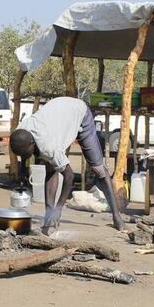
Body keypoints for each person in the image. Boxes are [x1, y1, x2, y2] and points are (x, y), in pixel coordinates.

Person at [10, 96, 125, 235]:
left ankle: (117, 217)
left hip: (80, 112)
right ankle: (49, 217)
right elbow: (33, 158)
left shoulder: (48, 146)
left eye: (26, 153)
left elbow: (69, 177)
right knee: (50, 167)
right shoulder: (20, 131)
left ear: (32, 144)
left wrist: (58, 209)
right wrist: (22, 169)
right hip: (59, 109)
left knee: (99, 169)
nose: (25, 157)